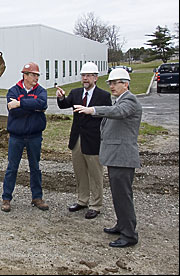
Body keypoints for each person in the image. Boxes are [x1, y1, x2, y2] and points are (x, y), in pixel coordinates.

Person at [74, 68, 142, 248]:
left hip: (123, 157)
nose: (111, 86)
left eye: (115, 83)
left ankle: (129, 234)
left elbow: (118, 113)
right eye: (110, 83)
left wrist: (92, 110)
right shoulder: (119, 100)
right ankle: (122, 224)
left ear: (125, 84)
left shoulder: (129, 101)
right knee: (118, 195)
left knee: (123, 196)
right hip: (115, 156)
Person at [56, 62, 112, 219]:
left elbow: (107, 115)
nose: (85, 78)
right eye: (83, 76)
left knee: (95, 173)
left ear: (96, 77)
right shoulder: (76, 93)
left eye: (88, 76)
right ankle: (82, 200)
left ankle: (96, 204)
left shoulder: (103, 96)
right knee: (80, 171)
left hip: (94, 140)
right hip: (77, 139)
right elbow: (64, 105)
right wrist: (61, 98)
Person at [1, 62, 49, 212]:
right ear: (25, 76)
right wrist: (32, 107)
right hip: (16, 136)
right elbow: (13, 111)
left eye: (37, 75)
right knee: (12, 168)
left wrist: (20, 103)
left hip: (34, 136)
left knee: (35, 167)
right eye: (33, 75)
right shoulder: (13, 91)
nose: (36, 78)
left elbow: (42, 104)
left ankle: (37, 197)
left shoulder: (41, 91)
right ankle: (6, 198)